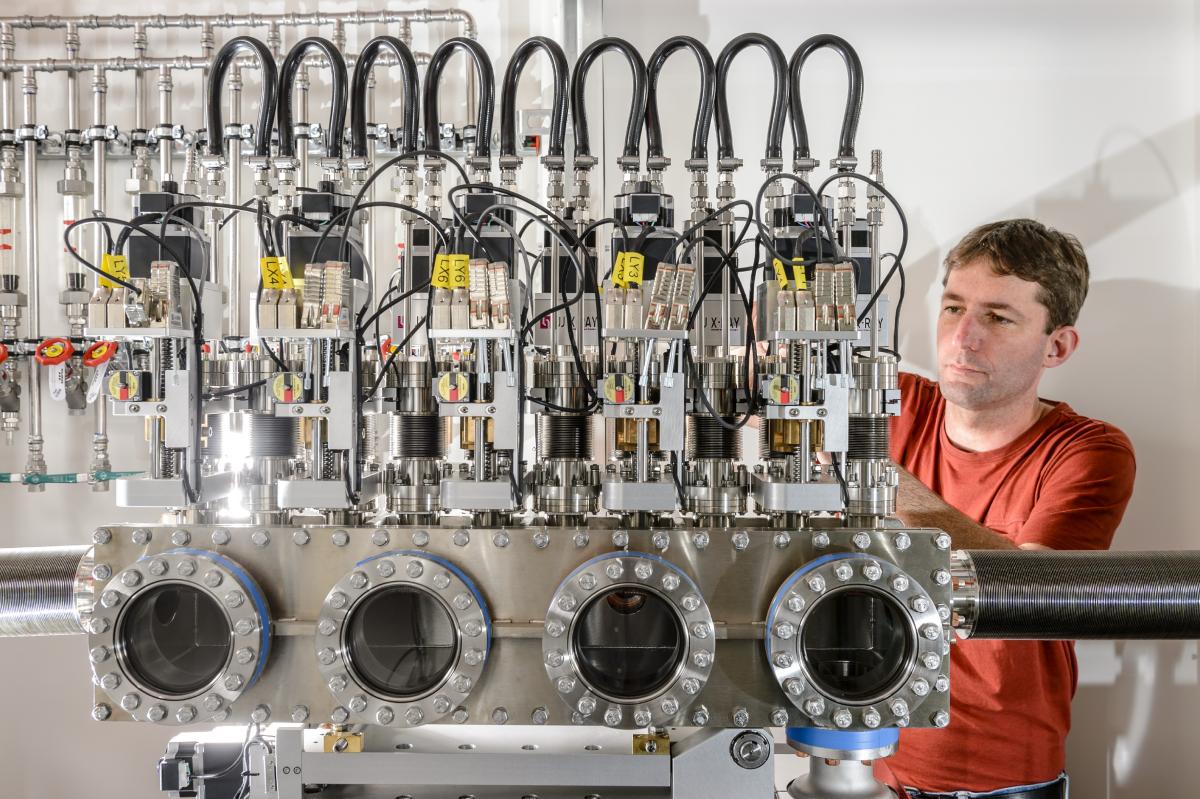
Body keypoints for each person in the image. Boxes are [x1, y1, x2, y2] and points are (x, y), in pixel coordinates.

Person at [876, 219, 1136, 798]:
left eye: (997, 317)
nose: (962, 337)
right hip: (869, 764)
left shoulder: (1088, 451)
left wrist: (874, 478)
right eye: (952, 308)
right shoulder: (890, 403)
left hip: (999, 782)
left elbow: (1036, 590)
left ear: (1057, 346)